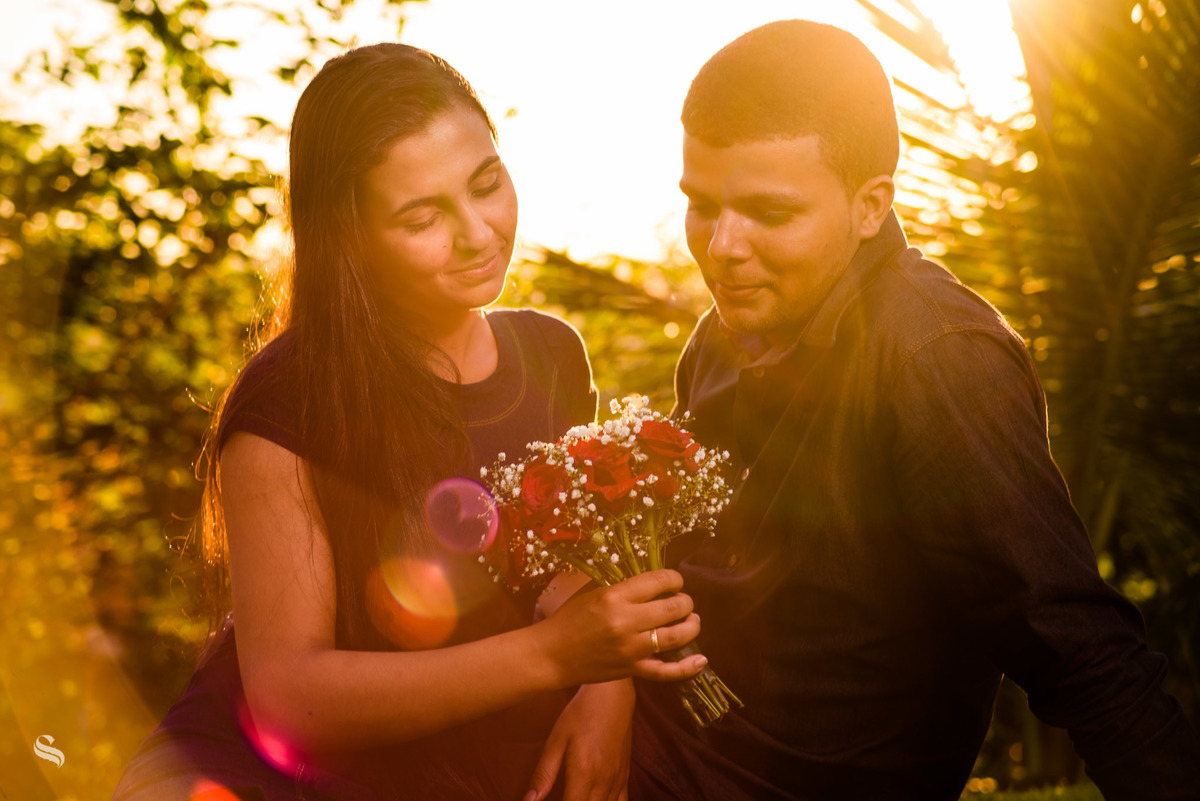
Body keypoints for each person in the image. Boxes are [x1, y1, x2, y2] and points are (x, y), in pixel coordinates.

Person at [112, 43, 704, 801]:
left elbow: (577, 583)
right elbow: (291, 701)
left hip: (468, 756)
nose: (478, 233)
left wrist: (606, 689)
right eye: (422, 216)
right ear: (350, 236)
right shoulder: (286, 403)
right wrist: (560, 658)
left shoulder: (551, 355)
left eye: (487, 184)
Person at [628, 19, 1200, 801]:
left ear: (870, 207)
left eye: (769, 212)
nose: (722, 246)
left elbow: (1078, 648)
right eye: (702, 205)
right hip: (654, 743)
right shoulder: (721, 337)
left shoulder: (937, 359)